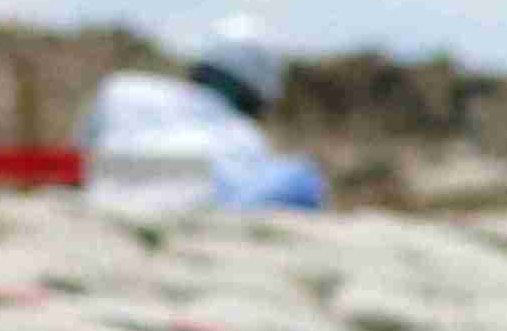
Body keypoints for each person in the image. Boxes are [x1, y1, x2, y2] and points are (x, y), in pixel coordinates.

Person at [75, 18, 327, 211]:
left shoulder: (123, 88)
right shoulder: (244, 135)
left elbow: (83, 151)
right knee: (303, 175)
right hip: (193, 193)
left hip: (108, 184)